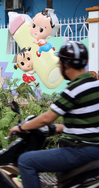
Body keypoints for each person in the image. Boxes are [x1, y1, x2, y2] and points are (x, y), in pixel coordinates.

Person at [8, 41, 99, 188]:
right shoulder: (95, 85)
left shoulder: (74, 89)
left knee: (26, 161)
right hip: (94, 149)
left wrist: (22, 127)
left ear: (65, 64)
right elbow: (86, 121)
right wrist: (59, 128)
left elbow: (47, 117)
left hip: (78, 151)